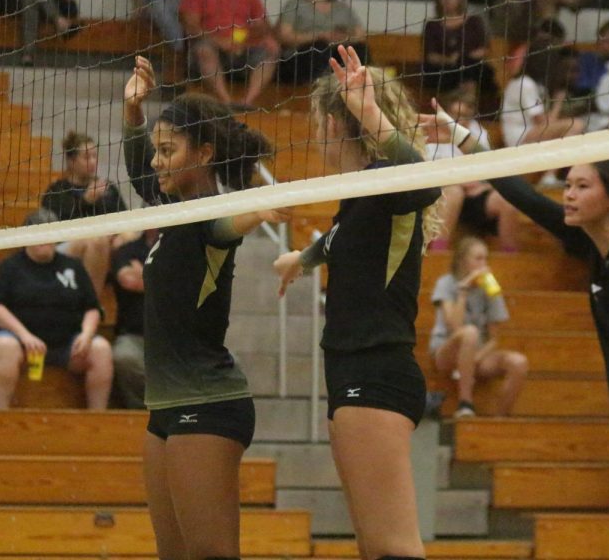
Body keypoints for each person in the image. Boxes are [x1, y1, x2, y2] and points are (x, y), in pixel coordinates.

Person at [420, 101, 609, 559]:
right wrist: (461, 135)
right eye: (566, 184)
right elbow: (519, 192)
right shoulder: (587, 241)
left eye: (581, 186)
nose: (567, 194)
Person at [274, 46, 441, 560]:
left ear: (330, 123)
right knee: (375, 548)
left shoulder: (388, 181)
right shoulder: (361, 195)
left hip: (377, 372)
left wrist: (368, 113)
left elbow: (423, 182)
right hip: (353, 372)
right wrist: (303, 258)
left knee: (394, 550)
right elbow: (344, 237)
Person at [123, 55, 288, 559]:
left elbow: (227, 225)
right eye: (156, 150)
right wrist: (134, 111)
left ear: (204, 153)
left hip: (208, 403)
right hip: (164, 408)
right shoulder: (174, 208)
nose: (156, 162)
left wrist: (260, 209)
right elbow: (139, 169)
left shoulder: (211, 214)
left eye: (168, 151)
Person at [0, 208, 113, 410]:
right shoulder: (9, 267)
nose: (44, 239)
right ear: (26, 237)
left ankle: (98, 419)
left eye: (49, 233)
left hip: (67, 345)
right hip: (22, 345)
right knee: (4, 346)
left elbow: (92, 307)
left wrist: (87, 334)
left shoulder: (73, 267)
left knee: (101, 348)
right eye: (38, 233)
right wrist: (24, 336)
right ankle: (1, 416)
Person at [429, 237, 528, 418]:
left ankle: (500, 419)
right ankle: (465, 403)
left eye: (485, 259)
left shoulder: (489, 287)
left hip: (476, 354)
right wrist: (464, 290)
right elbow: (455, 327)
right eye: (478, 258)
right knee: (469, 333)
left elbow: (494, 339)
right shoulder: (446, 283)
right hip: (446, 351)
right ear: (463, 260)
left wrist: (475, 358)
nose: (483, 264)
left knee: (518, 362)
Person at [178, 0, 279, 107]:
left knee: (272, 49)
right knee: (204, 50)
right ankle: (226, 101)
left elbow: (265, 25)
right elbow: (191, 27)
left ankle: (247, 101)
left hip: (243, 48)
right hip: (211, 50)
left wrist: (256, 34)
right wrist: (219, 41)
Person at [427, 89, 518, 252]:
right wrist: (462, 181)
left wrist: (485, 184)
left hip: (475, 193)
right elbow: (432, 174)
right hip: (444, 194)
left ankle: (509, 255)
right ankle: (438, 252)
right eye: (456, 115)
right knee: (454, 192)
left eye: (466, 116)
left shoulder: (478, 132)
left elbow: (488, 167)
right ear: (447, 114)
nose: (461, 120)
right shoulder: (434, 133)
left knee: (506, 199)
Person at [41, 131, 128, 296]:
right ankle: (91, 304)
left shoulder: (107, 188)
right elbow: (57, 229)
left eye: (95, 156)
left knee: (125, 238)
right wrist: (86, 202)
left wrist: (119, 236)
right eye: (87, 157)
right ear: (72, 161)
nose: (92, 161)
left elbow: (124, 220)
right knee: (96, 240)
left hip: (103, 248)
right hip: (67, 249)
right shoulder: (57, 191)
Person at [276, 0, 367, 85]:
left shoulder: (342, 7)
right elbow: (285, 36)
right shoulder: (295, 4)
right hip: (303, 56)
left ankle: (356, 86)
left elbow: (361, 35)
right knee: (320, 47)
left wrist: (342, 37)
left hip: (337, 52)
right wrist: (320, 36)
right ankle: (319, 88)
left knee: (358, 50)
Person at [109, 228, 158, 409]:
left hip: (174, 337)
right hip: (135, 335)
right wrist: (165, 280)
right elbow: (128, 280)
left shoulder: (181, 249)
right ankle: (141, 411)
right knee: (124, 357)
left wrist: (143, 274)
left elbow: (186, 283)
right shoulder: (128, 250)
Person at [421, 0, 492, 96]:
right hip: (443, 69)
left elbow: (484, 49)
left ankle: (466, 106)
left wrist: (462, 58)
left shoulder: (474, 21)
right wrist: (449, 60)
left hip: (470, 67)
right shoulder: (432, 25)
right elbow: (430, 55)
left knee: (475, 72)